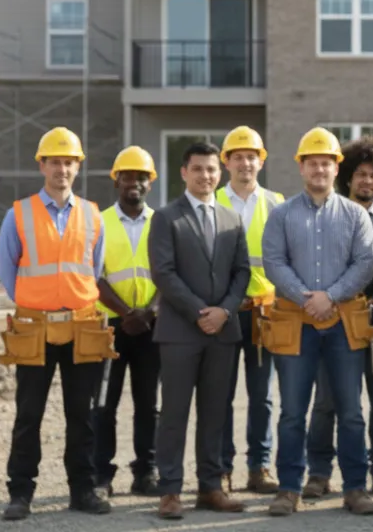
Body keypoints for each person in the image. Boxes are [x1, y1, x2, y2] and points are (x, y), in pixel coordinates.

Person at [262, 127, 373, 517]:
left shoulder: (355, 215)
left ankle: (355, 488)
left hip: (343, 325)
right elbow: (274, 262)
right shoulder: (281, 215)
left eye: (326, 163)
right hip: (296, 324)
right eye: (312, 163)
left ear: (335, 168)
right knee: (292, 411)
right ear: (301, 167)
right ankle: (288, 489)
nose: (319, 169)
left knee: (350, 411)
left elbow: (364, 263)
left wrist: (331, 297)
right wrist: (306, 298)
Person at [0, 127, 111, 521]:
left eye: (69, 162)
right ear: (42, 165)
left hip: (82, 326)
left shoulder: (93, 215)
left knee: (82, 414)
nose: (62, 168)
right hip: (33, 326)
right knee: (28, 414)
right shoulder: (19, 213)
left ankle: (82, 490)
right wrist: (36, 304)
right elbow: (7, 271)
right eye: (55, 161)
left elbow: (93, 271)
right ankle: (21, 493)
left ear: (77, 167)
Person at [149, 140, 251, 519]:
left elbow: (242, 272)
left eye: (211, 169)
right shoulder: (166, 217)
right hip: (180, 332)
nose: (205, 176)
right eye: (198, 169)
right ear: (184, 172)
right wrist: (199, 312)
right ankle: (170, 491)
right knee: (174, 413)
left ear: (219, 173)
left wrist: (224, 311)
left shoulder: (231, 219)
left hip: (222, 333)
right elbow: (164, 272)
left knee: (215, 413)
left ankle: (210, 487)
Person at [305, 134, 373, 500]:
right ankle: (318, 472)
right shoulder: (329, 220)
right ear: (348, 176)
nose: (367, 181)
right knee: (327, 402)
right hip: (332, 328)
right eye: (360, 174)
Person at [216, 126, 283, 495]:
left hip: (263, 314)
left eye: (251, 156)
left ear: (261, 161)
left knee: (262, 395)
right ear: (226, 162)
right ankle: (223, 468)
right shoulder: (212, 201)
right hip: (226, 312)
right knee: (221, 394)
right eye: (238, 156)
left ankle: (260, 467)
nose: (245, 162)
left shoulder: (275, 203)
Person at [93, 146, 161, 500]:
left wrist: (148, 312)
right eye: (127, 176)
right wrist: (127, 313)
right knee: (104, 404)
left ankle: (146, 472)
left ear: (150, 182)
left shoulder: (161, 222)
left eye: (140, 177)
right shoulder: (98, 222)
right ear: (116, 181)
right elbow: (94, 276)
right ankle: (101, 475)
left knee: (148, 405)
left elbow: (169, 274)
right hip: (111, 326)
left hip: (151, 326)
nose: (133, 182)